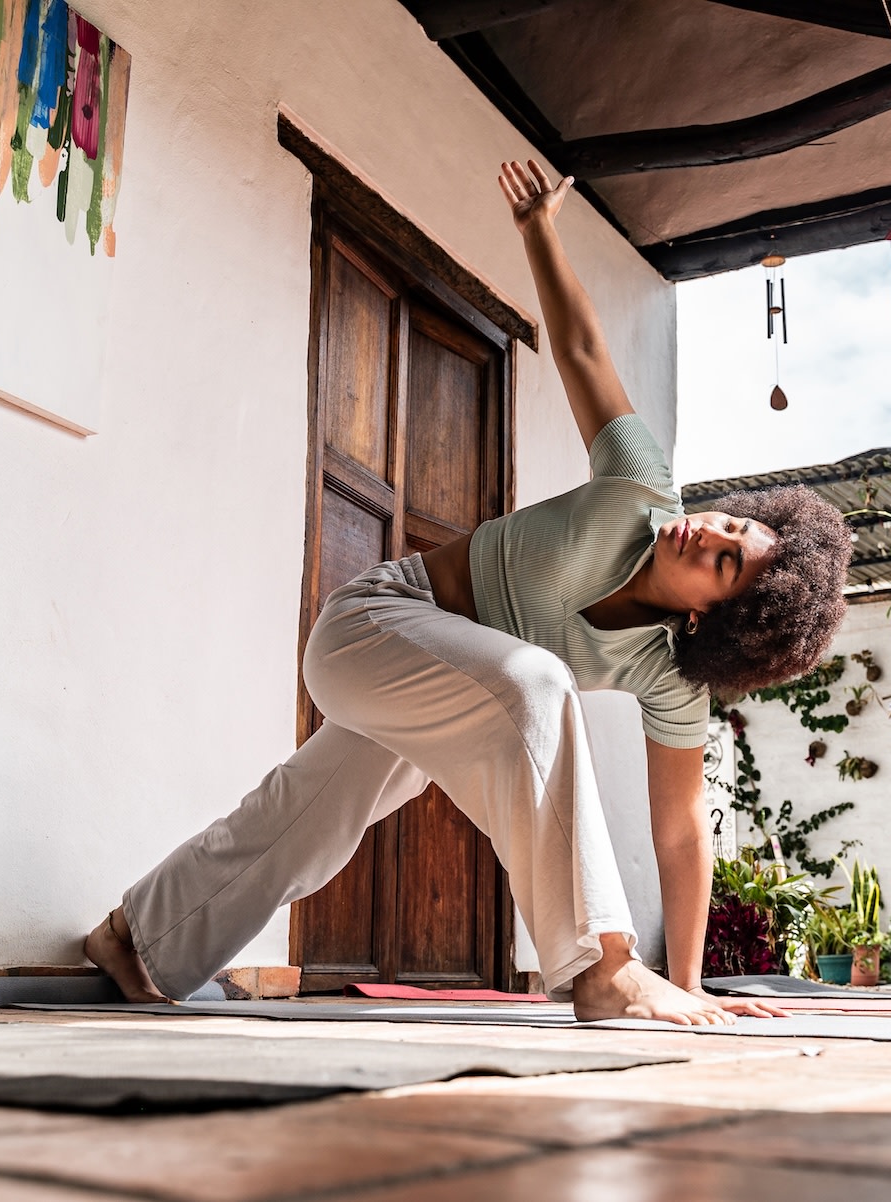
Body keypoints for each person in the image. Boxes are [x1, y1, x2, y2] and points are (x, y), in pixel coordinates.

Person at [86, 160, 852, 1025]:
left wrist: (695, 983)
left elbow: (681, 834)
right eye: (727, 524)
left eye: (722, 561)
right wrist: (538, 231)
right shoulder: (641, 490)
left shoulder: (672, 680)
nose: (703, 533)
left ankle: (134, 939)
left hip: (440, 703)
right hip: (378, 622)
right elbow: (583, 350)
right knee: (539, 680)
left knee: (306, 823)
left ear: (713, 615)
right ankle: (601, 967)